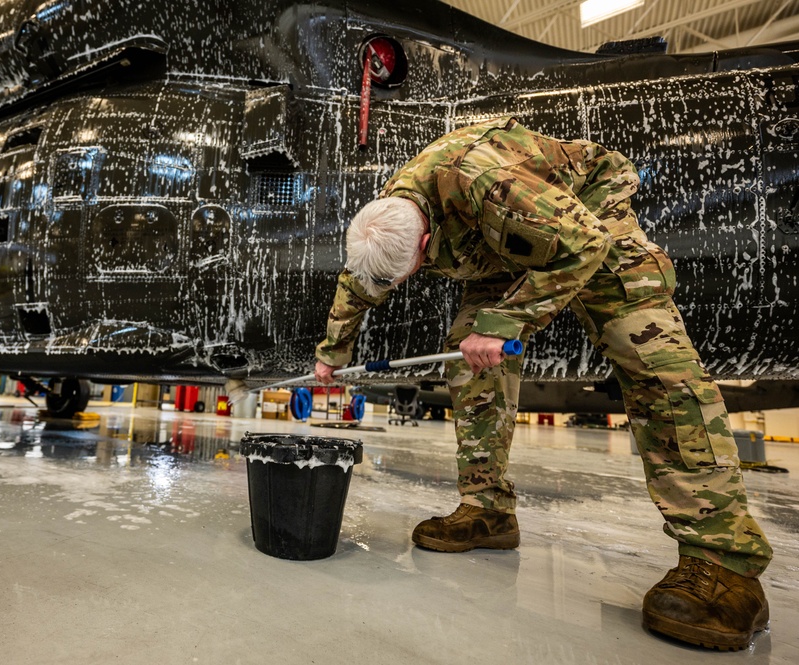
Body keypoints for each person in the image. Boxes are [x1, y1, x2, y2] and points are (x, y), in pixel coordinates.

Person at [314, 117, 773, 650]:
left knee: (653, 362)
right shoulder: (389, 212)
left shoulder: (490, 182)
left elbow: (583, 245)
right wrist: (332, 353)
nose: (401, 283)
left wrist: (507, 322)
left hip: (587, 219)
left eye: (410, 269)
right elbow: (360, 279)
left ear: (424, 240)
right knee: (470, 364)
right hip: (497, 243)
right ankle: (487, 510)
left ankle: (724, 563)